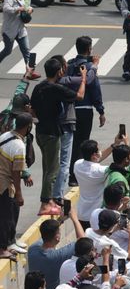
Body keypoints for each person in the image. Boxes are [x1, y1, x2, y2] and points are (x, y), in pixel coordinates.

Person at [31, 58, 86, 217]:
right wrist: (83, 79)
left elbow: (32, 110)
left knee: (47, 167)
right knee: (53, 169)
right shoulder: (55, 88)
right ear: (59, 72)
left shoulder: (39, 87)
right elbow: (80, 96)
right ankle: (45, 204)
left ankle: (47, 201)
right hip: (52, 133)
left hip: (40, 131)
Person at [66, 38, 104, 183]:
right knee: (83, 143)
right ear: (89, 49)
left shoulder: (69, 65)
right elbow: (95, 90)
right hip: (85, 110)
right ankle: (78, 174)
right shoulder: (89, 67)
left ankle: (71, 174)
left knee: (72, 143)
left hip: (70, 109)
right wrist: (101, 111)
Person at [0, 114, 32, 261]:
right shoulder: (19, 145)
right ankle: (2, 249)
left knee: (12, 211)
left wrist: (26, 174)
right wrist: (19, 193)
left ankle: (11, 241)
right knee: (6, 216)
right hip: (4, 182)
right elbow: (15, 172)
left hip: (4, 179)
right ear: (28, 127)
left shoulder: (7, 135)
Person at [0, 0, 37, 81]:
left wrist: (30, 9)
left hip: (20, 29)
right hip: (10, 30)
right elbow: (6, 9)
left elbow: (28, 5)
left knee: (26, 51)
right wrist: (18, 9)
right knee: (7, 51)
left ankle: (29, 72)